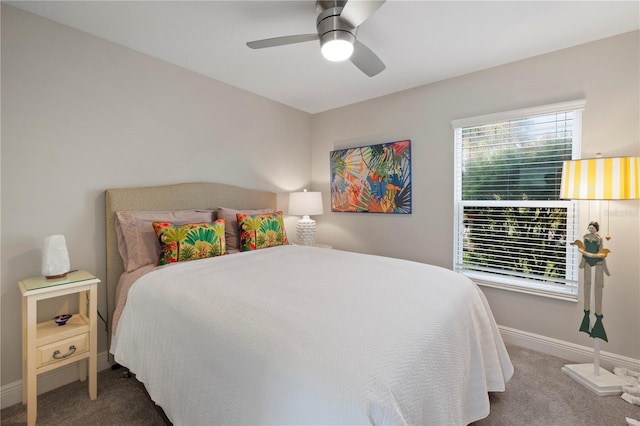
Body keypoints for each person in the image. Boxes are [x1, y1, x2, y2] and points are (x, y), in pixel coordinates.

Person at [572, 221, 610, 341]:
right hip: (587, 262)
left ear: (596, 229)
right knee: (586, 286)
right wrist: (583, 259)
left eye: (593, 227)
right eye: (589, 227)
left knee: (598, 288)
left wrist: (602, 261)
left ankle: (598, 317)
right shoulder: (585, 237)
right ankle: (586, 315)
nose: (590, 228)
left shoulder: (599, 239)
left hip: (597, 262)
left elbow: (601, 251)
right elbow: (583, 248)